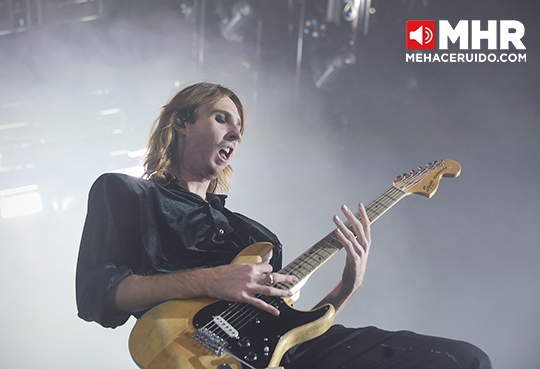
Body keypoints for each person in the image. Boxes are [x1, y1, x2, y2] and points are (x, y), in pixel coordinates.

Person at [76, 82, 491, 369]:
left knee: (463, 360)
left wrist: (346, 287)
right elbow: (98, 294)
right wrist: (213, 280)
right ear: (181, 122)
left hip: (288, 354)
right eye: (222, 118)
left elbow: (283, 322)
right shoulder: (126, 193)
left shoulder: (254, 236)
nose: (236, 134)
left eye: (239, 129)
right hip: (195, 350)